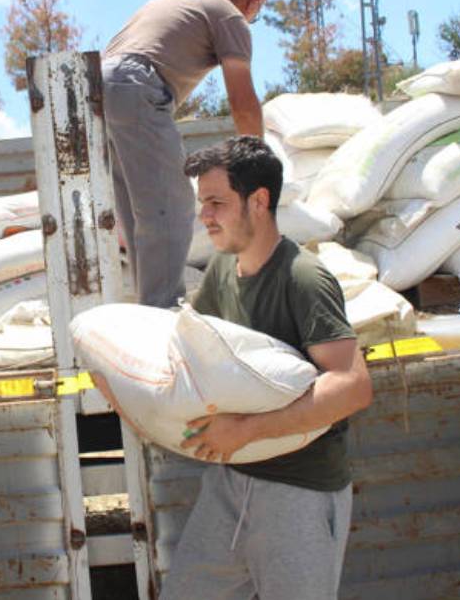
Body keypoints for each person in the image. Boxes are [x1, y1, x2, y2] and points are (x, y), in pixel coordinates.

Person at [161, 135, 372, 599]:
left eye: (216, 202)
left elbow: (352, 387)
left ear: (258, 201)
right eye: (203, 203)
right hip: (233, 481)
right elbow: (194, 347)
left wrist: (245, 431)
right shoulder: (222, 270)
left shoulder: (303, 278)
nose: (205, 216)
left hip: (299, 491)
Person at [102, 0, 268, 308]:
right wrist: (258, 160)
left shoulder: (186, 1)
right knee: (172, 201)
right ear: (254, 2)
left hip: (101, 87)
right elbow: (242, 100)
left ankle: (149, 306)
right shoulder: (231, 17)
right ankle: (161, 308)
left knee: (139, 209)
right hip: (136, 86)